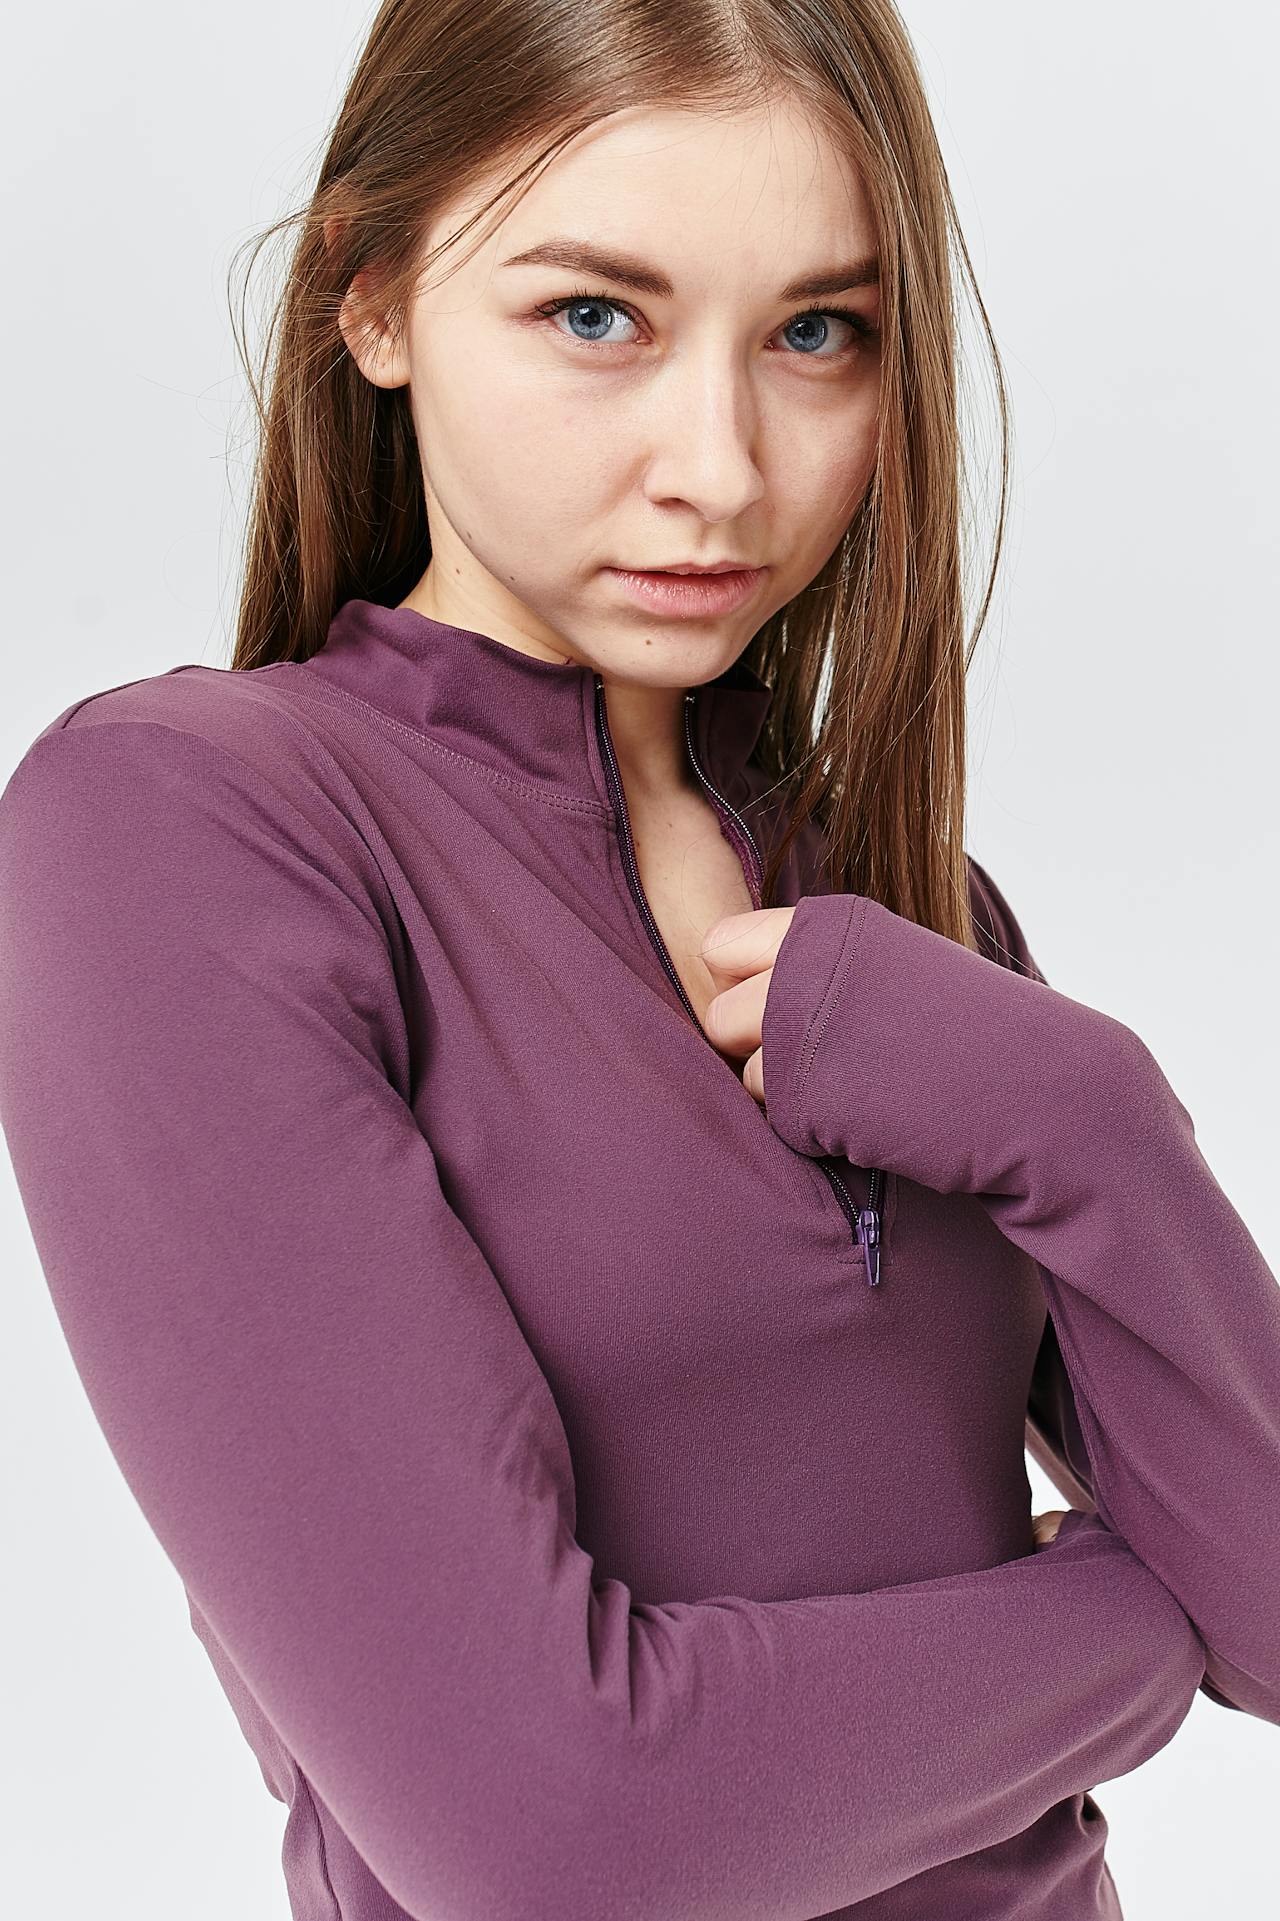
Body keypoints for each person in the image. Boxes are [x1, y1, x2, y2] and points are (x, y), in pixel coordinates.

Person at [1, 3, 1277, 1918]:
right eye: (596, 314)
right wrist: (1134, 1639)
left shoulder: (912, 905)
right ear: (374, 297)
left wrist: (1085, 1109)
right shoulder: (185, 830)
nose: (722, 468)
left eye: (816, 333)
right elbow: (556, 1840)